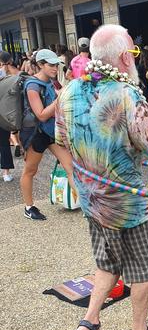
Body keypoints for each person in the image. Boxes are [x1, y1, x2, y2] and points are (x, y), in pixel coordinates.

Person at [57, 24, 148, 330]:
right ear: (124, 59)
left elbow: (62, 140)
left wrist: (82, 175)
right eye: (132, 51)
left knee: (106, 264)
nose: (133, 57)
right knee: (143, 269)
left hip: (93, 201)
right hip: (127, 207)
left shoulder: (70, 91)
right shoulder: (127, 94)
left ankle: (88, 324)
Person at [19, 49, 76, 220]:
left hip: (51, 132)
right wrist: (60, 99)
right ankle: (29, 207)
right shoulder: (32, 86)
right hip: (36, 134)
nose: (55, 68)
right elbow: (41, 114)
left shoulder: (51, 82)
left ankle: (87, 205)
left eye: (56, 64)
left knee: (70, 166)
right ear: (40, 65)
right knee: (30, 170)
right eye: (51, 65)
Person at [0, 51, 17, 181]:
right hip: (4, 114)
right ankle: (6, 172)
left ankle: (6, 172)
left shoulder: (11, 77)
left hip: (4, 115)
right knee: (4, 143)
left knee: (4, 143)